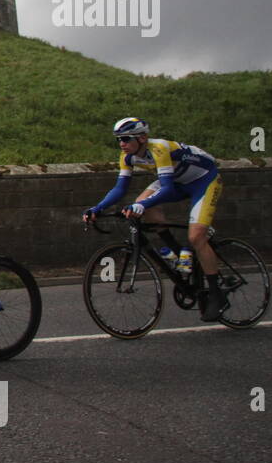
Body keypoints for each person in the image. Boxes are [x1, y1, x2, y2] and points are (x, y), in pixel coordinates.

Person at [82, 117, 226, 321]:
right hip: (177, 180)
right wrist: (97, 208)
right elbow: (120, 188)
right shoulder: (127, 156)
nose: (122, 144)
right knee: (142, 204)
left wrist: (141, 205)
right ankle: (177, 254)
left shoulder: (159, 149)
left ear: (142, 138)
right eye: (118, 140)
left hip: (204, 181)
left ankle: (217, 295)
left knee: (196, 237)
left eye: (126, 138)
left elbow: (166, 189)